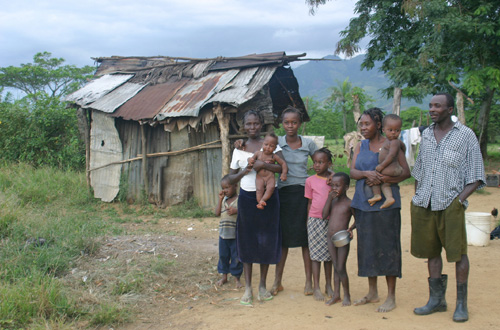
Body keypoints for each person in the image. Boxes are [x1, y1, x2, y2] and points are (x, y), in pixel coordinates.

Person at [411, 93, 485, 322]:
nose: (432, 109)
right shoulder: (426, 135)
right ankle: (436, 300)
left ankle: (461, 304)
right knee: (431, 252)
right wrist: (417, 194)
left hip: (450, 204)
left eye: (437, 106)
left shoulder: (465, 136)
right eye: (431, 105)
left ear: (449, 109)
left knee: (458, 253)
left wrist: (458, 200)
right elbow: (420, 169)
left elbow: (476, 175)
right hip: (424, 203)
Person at [350, 107, 410, 313]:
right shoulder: (360, 145)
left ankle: (391, 296)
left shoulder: (392, 144)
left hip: (387, 205)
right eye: (361, 124)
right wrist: (367, 174)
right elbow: (352, 171)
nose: (363, 128)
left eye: (367, 124)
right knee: (367, 249)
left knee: (388, 248)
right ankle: (372, 292)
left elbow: (406, 172)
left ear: (378, 124)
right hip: (363, 204)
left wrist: (384, 179)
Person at [228, 110, 282, 305]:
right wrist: (245, 171)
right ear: (243, 126)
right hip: (247, 198)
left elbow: (281, 167)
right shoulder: (239, 149)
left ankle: (262, 286)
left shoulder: (270, 144)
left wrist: (260, 164)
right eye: (248, 124)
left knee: (266, 240)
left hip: (269, 198)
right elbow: (229, 178)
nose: (252, 127)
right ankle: (248, 288)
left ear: (261, 124)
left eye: (256, 123)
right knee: (247, 241)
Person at [271, 106, 317, 297]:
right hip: (282, 195)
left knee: (305, 239)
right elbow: (261, 153)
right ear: (282, 123)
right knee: (283, 241)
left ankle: (309, 282)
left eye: (294, 122)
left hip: (304, 195)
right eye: (286, 122)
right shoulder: (276, 142)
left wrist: (330, 177)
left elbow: (321, 162)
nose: (290, 126)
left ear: (300, 123)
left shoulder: (308, 143)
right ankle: (277, 281)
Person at [304, 147, 334, 301]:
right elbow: (310, 202)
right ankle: (316, 286)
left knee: (329, 255)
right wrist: (308, 221)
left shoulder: (334, 180)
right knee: (315, 255)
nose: (317, 165)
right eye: (315, 162)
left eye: (321, 162)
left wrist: (334, 176)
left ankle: (329, 285)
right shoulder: (310, 181)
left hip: (331, 220)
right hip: (314, 220)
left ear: (329, 163)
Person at [322, 172, 355, 307]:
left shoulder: (350, 204)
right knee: (335, 265)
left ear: (346, 187)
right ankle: (336, 295)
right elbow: (324, 215)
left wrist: (351, 229)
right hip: (330, 238)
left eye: (338, 186)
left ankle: (346, 295)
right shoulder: (333, 201)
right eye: (333, 185)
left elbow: (358, 219)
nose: (334, 188)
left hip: (342, 239)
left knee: (341, 267)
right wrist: (329, 199)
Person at [368, 114, 406, 209]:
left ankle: (377, 195)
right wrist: (403, 149)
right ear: (383, 130)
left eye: (397, 130)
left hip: (391, 168)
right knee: (385, 185)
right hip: (392, 169)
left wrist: (381, 166)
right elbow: (403, 146)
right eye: (391, 130)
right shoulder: (392, 141)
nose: (394, 133)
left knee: (374, 177)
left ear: (400, 131)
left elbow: (392, 156)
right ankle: (389, 198)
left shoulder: (394, 142)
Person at [214, 175, 243, 288]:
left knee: (236, 257)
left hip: (235, 235)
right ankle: (224, 277)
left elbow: (245, 212)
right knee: (223, 256)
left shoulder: (239, 200)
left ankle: (237, 279)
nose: (225, 190)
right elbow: (217, 213)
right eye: (223, 188)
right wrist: (220, 199)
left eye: (227, 187)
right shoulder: (223, 201)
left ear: (235, 186)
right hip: (223, 235)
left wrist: (237, 211)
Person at [247, 132, 288, 209]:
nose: (268, 147)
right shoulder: (258, 153)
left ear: (275, 148)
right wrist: (249, 160)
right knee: (259, 189)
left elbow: (283, 164)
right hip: (260, 177)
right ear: (262, 144)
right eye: (266, 145)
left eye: (271, 146)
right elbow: (251, 159)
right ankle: (259, 202)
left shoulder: (274, 156)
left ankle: (263, 200)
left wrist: (284, 174)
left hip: (270, 177)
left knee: (271, 188)